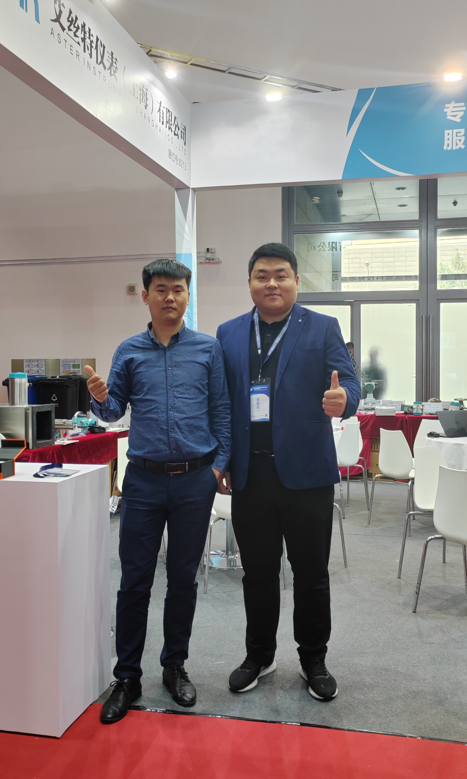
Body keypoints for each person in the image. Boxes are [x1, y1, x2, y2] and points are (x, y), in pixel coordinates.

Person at [86, 259, 231, 725]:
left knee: (183, 579)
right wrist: (98, 397)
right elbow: (112, 412)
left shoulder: (208, 349)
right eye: (162, 289)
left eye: (179, 289)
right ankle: (127, 676)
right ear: (145, 295)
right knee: (135, 581)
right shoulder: (129, 351)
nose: (170, 297)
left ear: (188, 295)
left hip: (194, 480)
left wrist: (218, 467)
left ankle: (174, 666)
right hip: (144, 480)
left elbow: (222, 411)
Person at [216, 243, 361, 702]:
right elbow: (222, 402)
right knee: (257, 573)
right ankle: (259, 655)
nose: (272, 283)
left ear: (297, 281)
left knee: (311, 574)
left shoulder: (322, 327)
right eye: (262, 275)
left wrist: (345, 399)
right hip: (251, 475)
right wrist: (223, 459)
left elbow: (350, 382)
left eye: (281, 274)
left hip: (307, 476)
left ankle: (313, 659)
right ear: (250, 282)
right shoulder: (229, 333)